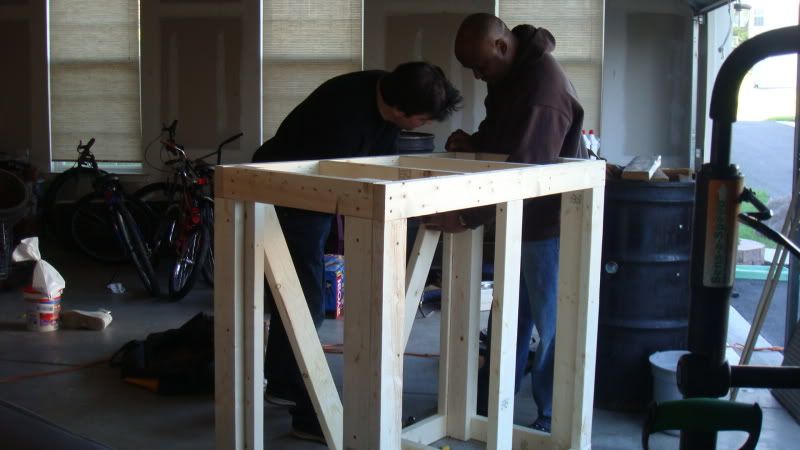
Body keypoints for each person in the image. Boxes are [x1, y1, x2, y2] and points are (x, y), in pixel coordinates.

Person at [253, 62, 462, 444]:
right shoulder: (343, 117)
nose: (422, 125)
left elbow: (378, 170)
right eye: (420, 119)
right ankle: (306, 409)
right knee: (304, 298)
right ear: (399, 109)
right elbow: (340, 188)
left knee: (305, 292)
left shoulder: (388, 97)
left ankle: (282, 382)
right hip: (283, 193)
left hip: (314, 193)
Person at [427, 13, 587, 433]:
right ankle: (495, 401)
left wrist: (467, 216)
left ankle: (554, 416)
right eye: (472, 69)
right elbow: (504, 134)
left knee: (553, 325)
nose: (478, 77)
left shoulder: (543, 89)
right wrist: (476, 142)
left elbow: (526, 170)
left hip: (549, 222)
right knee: (510, 317)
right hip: (520, 219)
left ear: (501, 46)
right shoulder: (510, 74)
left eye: (481, 66)